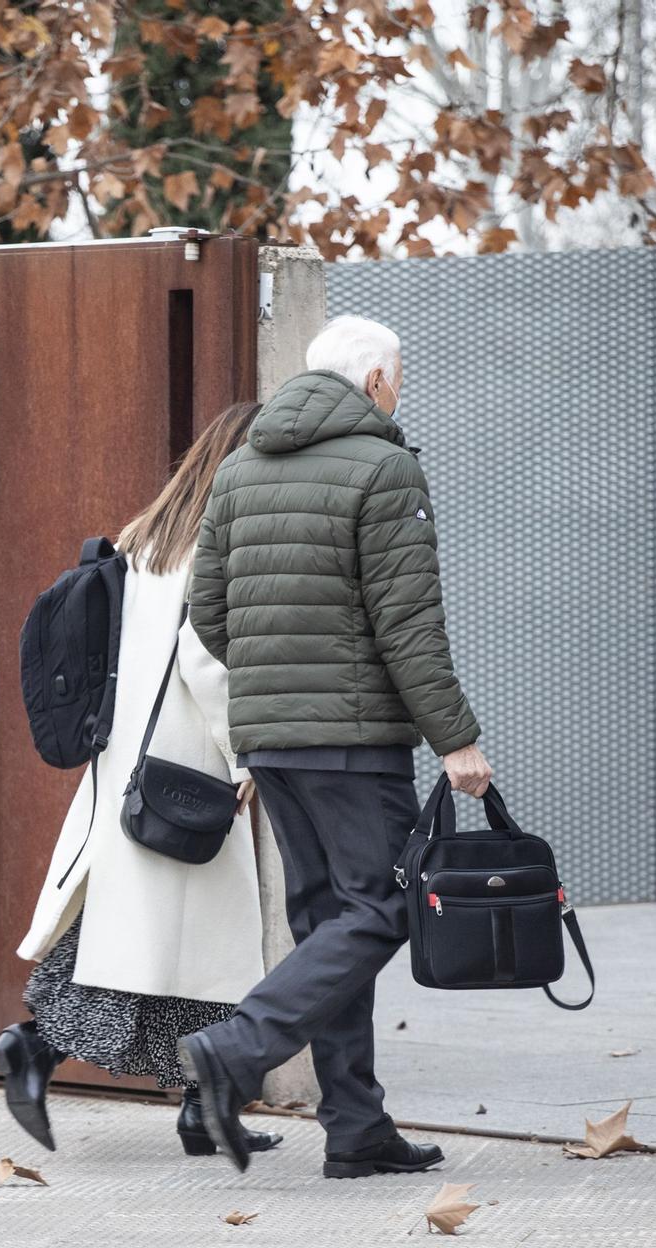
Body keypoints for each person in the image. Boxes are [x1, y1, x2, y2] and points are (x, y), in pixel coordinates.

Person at [177, 316, 494, 1177]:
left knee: (329, 922)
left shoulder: (241, 469)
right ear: (377, 381)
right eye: (399, 377)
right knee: (386, 906)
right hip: (354, 742)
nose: (400, 391)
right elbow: (409, 627)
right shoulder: (386, 466)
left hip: (271, 737)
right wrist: (456, 738)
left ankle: (356, 1128)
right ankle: (236, 1046)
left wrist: (277, 678)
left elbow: (209, 611)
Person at [0, 402, 285, 1161]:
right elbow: (204, 659)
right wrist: (245, 752)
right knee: (182, 944)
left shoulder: (145, 538)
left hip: (131, 762)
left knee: (166, 946)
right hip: (191, 765)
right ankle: (38, 1047)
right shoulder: (215, 543)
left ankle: (199, 1103)